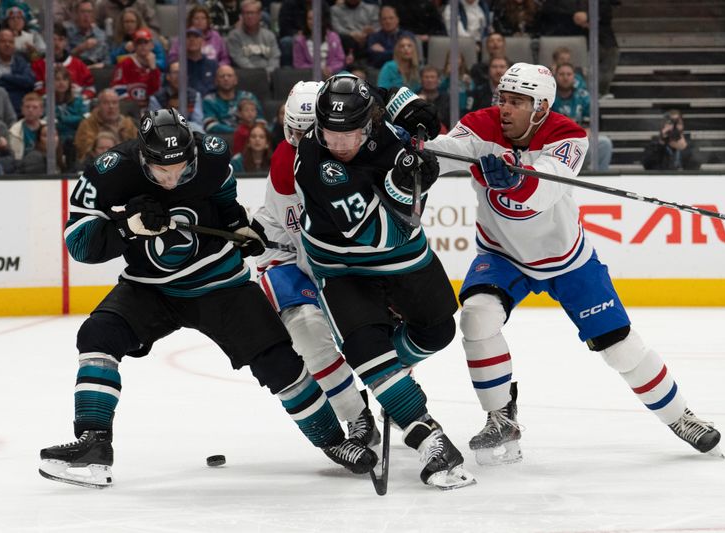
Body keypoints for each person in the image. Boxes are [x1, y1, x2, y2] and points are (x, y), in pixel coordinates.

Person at [39, 108, 377, 488]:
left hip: (222, 285)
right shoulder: (109, 170)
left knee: (278, 362)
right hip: (150, 288)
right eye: (162, 172)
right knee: (97, 335)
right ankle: (94, 444)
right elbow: (79, 244)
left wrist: (238, 228)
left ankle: (334, 442)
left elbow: (225, 204)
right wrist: (125, 228)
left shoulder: (214, 156)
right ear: (142, 158)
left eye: (182, 169)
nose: (172, 179)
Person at [424, 62, 722, 465]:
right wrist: (409, 143)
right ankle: (500, 417)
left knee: (619, 348)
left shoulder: (568, 135)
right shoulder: (481, 126)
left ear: (542, 107)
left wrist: (512, 178)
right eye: (503, 99)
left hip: (566, 260)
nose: (505, 109)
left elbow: (540, 192)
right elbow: (435, 158)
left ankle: (681, 417)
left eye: (517, 102)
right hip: (501, 254)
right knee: (476, 317)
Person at [292, 73, 474, 490]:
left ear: (370, 122)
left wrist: (407, 106)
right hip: (343, 266)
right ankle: (426, 433)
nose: (337, 143)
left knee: (439, 328)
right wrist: (404, 181)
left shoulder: (364, 109)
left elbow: (382, 92)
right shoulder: (320, 165)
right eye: (328, 133)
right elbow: (380, 236)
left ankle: (388, 380)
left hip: (406, 258)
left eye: (348, 133)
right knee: (365, 348)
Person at [252, 80, 380, 453]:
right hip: (288, 256)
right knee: (308, 330)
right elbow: (295, 237)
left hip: (331, 259)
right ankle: (356, 414)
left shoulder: (354, 156)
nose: (297, 140)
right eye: (291, 130)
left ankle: (394, 385)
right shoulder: (284, 165)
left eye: (306, 133)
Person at [552, 62, 612, 171]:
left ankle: (601, 178)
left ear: (574, 77)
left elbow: (592, 123)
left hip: (580, 141)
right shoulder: (549, 97)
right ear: (556, 76)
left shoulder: (583, 96)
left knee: (605, 144)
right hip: (555, 145)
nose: (565, 77)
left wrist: (585, 134)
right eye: (561, 74)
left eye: (569, 74)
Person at [32, 23, 97, 102]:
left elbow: (91, 89)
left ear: (66, 41)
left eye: (61, 39)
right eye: (53, 39)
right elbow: (38, 90)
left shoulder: (78, 64)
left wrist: (81, 99)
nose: (56, 44)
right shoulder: (38, 65)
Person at [74, 88, 138, 162]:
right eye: (106, 103)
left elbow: (137, 148)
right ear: (98, 105)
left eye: (114, 102)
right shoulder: (87, 124)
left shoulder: (128, 124)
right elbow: (84, 151)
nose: (111, 106)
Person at [110, 27, 161, 111]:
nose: (143, 46)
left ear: (151, 45)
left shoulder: (153, 66)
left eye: (146, 42)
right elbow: (117, 89)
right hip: (128, 109)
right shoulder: (125, 63)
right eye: (139, 43)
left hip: (147, 109)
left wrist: (153, 69)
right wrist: (133, 106)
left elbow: (154, 90)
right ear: (134, 46)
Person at [202, 65, 264, 134]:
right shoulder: (209, 100)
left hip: (250, 137)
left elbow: (260, 120)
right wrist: (238, 132)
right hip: (223, 138)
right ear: (216, 81)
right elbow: (210, 126)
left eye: (229, 76)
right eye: (222, 76)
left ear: (235, 80)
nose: (226, 78)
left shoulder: (248, 97)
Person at [0, 28, 36, 116]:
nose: (7, 45)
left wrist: (5, 77)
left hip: (19, 110)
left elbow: (29, 82)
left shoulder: (20, 61)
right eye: (3, 41)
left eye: (11, 42)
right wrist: (17, 83)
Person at [226, 0, 280, 72]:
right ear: (241, 16)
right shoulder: (234, 36)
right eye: (246, 13)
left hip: (269, 76)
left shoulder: (269, 35)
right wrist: (259, 75)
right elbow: (239, 60)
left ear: (260, 15)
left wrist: (268, 73)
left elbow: (275, 58)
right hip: (245, 77)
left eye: (252, 13)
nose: (249, 16)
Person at [149, 61, 204, 132]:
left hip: (190, 133)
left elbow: (198, 122)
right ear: (168, 77)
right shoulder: (157, 98)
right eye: (175, 73)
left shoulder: (195, 95)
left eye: (182, 73)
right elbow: (155, 123)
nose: (179, 76)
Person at [292, 8, 346, 79]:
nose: (313, 22)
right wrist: (318, 69)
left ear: (322, 20)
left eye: (316, 18)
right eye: (310, 19)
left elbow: (340, 60)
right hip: (308, 77)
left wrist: (329, 69)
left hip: (332, 74)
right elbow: (298, 64)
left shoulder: (334, 37)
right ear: (306, 21)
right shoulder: (299, 41)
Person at [66, 0, 110, 67]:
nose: (86, 15)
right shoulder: (67, 32)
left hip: (97, 71)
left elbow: (108, 61)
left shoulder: (101, 35)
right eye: (82, 12)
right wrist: (80, 48)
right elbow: (62, 59)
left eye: (89, 12)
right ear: (76, 14)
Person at [8, 92, 44, 160]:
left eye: (35, 107)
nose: (30, 110)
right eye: (27, 107)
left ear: (41, 111)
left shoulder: (49, 129)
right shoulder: (14, 132)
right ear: (22, 109)